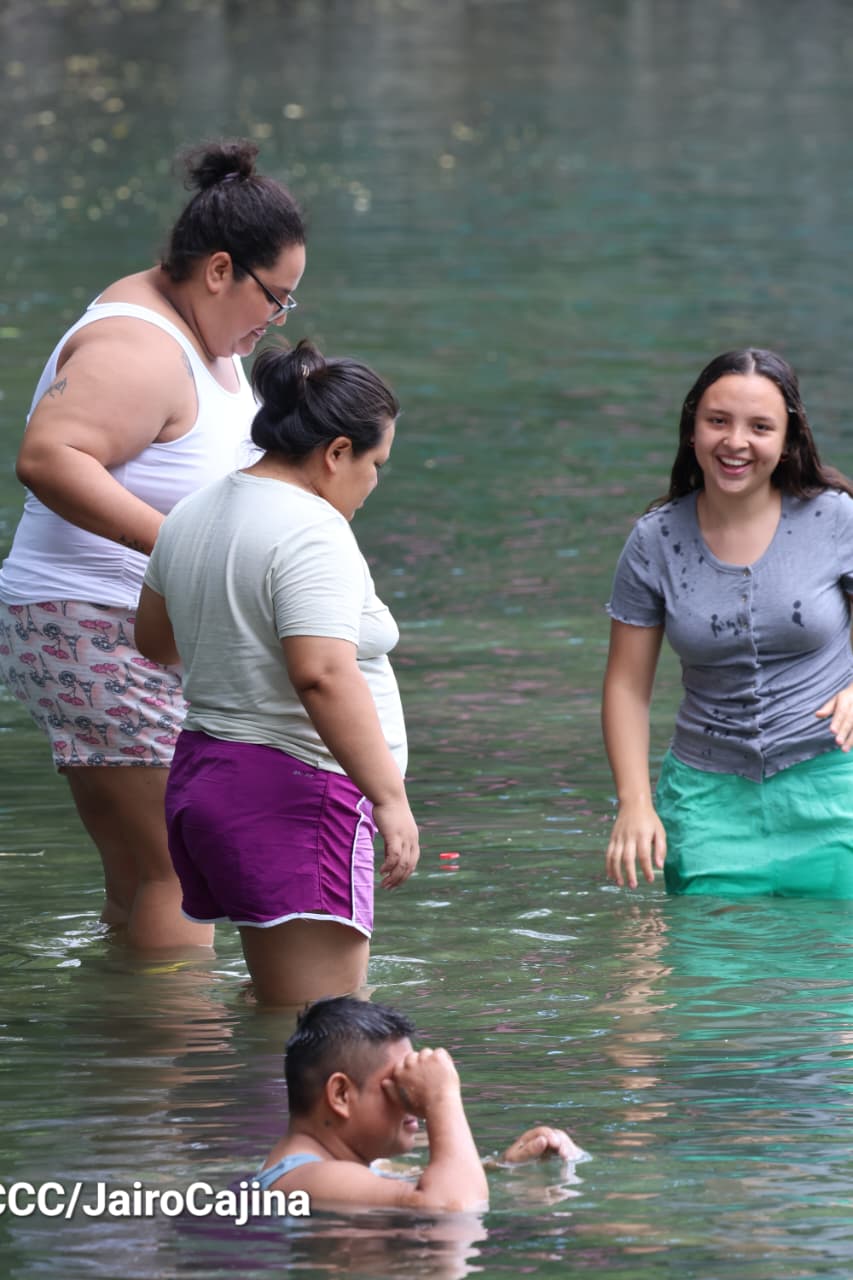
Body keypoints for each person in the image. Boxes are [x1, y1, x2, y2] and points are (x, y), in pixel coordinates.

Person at [0, 138, 306, 950]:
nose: (276, 320)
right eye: (275, 298)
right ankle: (188, 1064)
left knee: (143, 873)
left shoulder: (195, 331)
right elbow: (48, 456)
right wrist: (185, 548)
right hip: (93, 619)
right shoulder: (139, 346)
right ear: (218, 270)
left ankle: (131, 1056)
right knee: (181, 868)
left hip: (97, 624)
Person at [134, 339, 419, 1006]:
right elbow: (320, 673)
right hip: (293, 794)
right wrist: (389, 798)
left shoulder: (194, 513)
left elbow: (154, 640)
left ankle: (198, 1111)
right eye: (376, 463)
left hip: (210, 781)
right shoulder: (309, 529)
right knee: (318, 1028)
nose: (373, 482)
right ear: (337, 453)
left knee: (273, 1010)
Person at [602, 347, 853, 898]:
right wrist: (636, 803)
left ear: (788, 441)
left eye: (760, 426)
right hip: (706, 803)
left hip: (835, 791)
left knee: (833, 977)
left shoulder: (835, 518)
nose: (735, 442)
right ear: (692, 429)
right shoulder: (655, 539)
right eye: (718, 421)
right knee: (710, 976)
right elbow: (626, 686)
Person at [253, 996, 585, 1212]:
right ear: (341, 1095)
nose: (416, 1108)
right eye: (401, 1088)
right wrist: (442, 1097)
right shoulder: (304, 1180)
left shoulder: (336, 1166)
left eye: (416, 1090)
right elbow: (456, 1210)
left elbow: (424, 1183)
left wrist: (505, 1165)